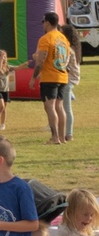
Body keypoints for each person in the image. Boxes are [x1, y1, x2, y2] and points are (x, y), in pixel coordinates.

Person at [25, 11, 70, 144]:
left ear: (48, 23)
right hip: (62, 75)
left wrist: (33, 77)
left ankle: (55, 137)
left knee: (49, 107)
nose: (42, 24)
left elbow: (41, 61)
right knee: (59, 107)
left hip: (50, 77)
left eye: (43, 21)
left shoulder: (45, 39)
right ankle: (62, 137)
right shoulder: (63, 38)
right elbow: (66, 58)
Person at [59, 25, 82, 141]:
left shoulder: (68, 49)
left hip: (68, 80)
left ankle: (69, 133)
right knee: (64, 106)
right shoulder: (74, 48)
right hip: (71, 79)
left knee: (66, 108)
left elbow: (63, 64)